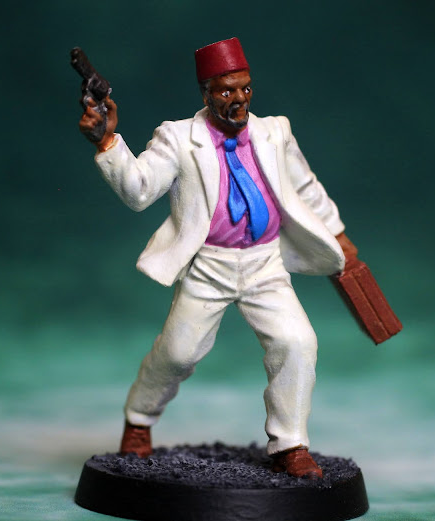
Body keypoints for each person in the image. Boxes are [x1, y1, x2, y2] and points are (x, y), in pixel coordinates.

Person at [79, 37, 360, 480]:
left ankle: (290, 444)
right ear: (206, 93)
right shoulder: (177, 138)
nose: (239, 98)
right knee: (177, 354)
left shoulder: (275, 132)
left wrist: (336, 230)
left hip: (266, 263)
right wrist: (107, 142)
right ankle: (139, 418)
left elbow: (304, 184)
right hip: (209, 265)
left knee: (297, 342)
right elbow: (138, 191)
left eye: (245, 88)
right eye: (227, 90)